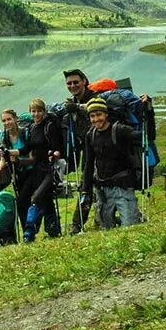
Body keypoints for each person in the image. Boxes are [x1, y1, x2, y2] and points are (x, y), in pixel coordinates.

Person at [80, 98, 141, 229]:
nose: (96, 119)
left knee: (131, 228)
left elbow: (145, 136)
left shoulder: (120, 130)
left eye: (99, 115)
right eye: (92, 116)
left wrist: (148, 111)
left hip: (123, 187)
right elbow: (89, 164)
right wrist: (85, 190)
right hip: (103, 191)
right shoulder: (90, 135)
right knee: (107, 230)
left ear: (106, 114)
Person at [22, 98, 63, 241]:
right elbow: (28, 149)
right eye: (33, 111)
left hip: (50, 170)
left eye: (39, 111)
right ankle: (53, 229)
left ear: (44, 112)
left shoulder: (49, 126)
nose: (36, 114)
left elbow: (58, 148)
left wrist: (54, 154)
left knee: (36, 198)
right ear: (30, 112)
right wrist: (10, 154)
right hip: (37, 169)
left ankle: (29, 232)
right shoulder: (31, 128)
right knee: (46, 199)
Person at [63, 68, 97, 234]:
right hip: (87, 151)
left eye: (76, 82)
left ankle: (78, 225)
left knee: (92, 185)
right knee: (87, 186)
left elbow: (95, 108)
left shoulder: (95, 96)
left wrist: (76, 107)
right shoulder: (72, 103)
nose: (72, 85)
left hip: (102, 149)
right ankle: (78, 224)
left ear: (84, 81)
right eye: (69, 83)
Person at [0, 108, 32, 235]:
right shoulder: (3, 136)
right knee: (21, 202)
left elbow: (32, 157)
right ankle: (26, 231)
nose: (7, 123)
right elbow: (3, 158)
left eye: (9, 119)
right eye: (4, 121)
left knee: (25, 200)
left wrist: (17, 159)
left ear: (15, 119)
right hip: (16, 172)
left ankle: (30, 229)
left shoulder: (25, 133)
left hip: (30, 170)